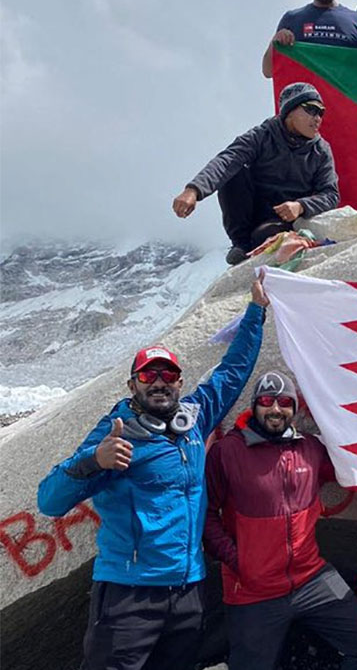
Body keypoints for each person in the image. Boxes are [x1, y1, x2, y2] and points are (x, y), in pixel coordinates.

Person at [37, 279, 268, 670]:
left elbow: (232, 372)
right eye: (148, 376)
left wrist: (256, 311)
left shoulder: (193, 420)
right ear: (132, 385)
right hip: (129, 595)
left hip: (187, 592)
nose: (159, 382)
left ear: (179, 382)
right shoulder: (117, 431)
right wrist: (95, 460)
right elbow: (49, 501)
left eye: (167, 375)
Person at [203, 370, 357, 670]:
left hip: (312, 577)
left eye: (284, 401)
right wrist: (240, 562)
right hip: (253, 589)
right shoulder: (227, 452)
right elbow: (206, 515)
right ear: (254, 405)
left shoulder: (310, 448)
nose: (275, 409)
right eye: (266, 401)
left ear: (295, 408)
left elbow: (354, 459)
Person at [172, 82, 338, 266]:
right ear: (289, 111)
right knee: (233, 172)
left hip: (286, 221)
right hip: (252, 212)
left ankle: (256, 245)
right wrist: (193, 190)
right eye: (312, 110)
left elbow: (331, 194)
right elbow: (227, 159)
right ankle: (240, 245)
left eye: (321, 113)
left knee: (266, 237)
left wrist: (301, 206)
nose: (318, 118)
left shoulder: (321, 151)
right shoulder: (262, 135)